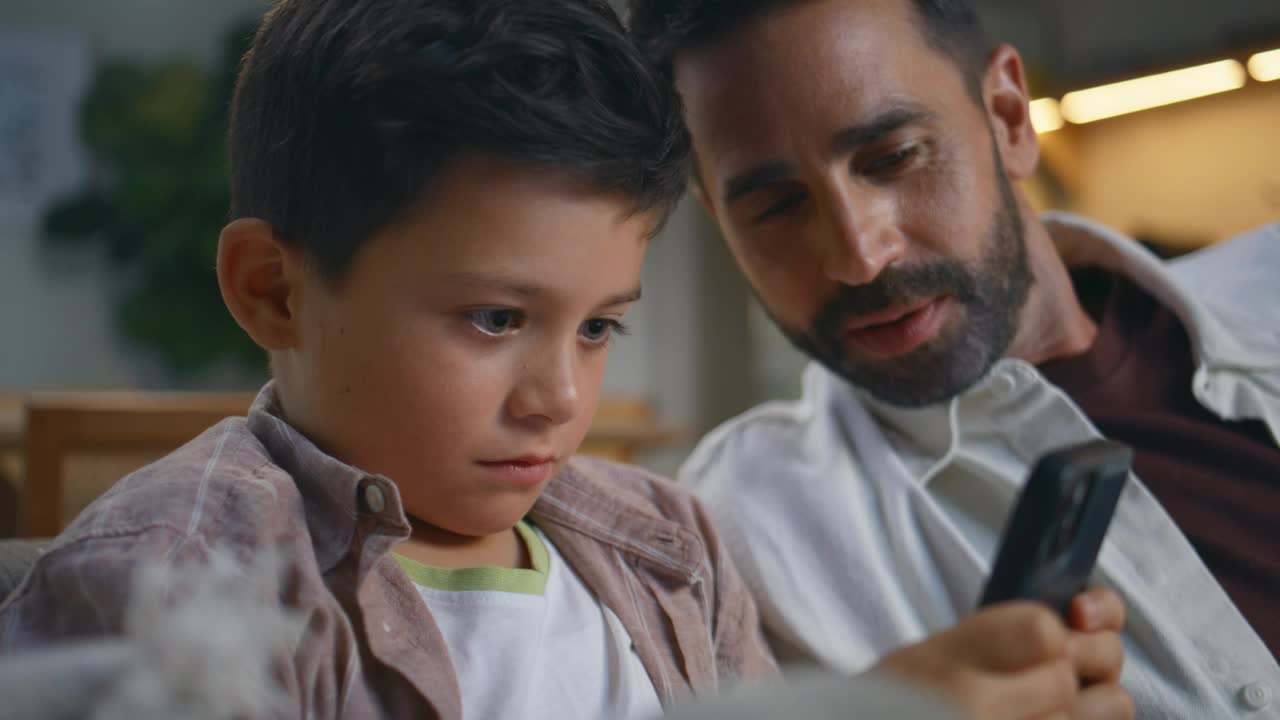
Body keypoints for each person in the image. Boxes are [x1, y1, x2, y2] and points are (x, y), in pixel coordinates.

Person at [0, 0, 1127, 718]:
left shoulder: (670, 548)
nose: (559, 399)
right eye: (495, 319)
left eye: (598, 327)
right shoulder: (167, 588)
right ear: (273, 290)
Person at [627, 0, 1280, 716]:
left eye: (894, 157)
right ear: (722, 223)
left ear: (1007, 117)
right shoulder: (747, 526)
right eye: (777, 207)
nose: (859, 256)